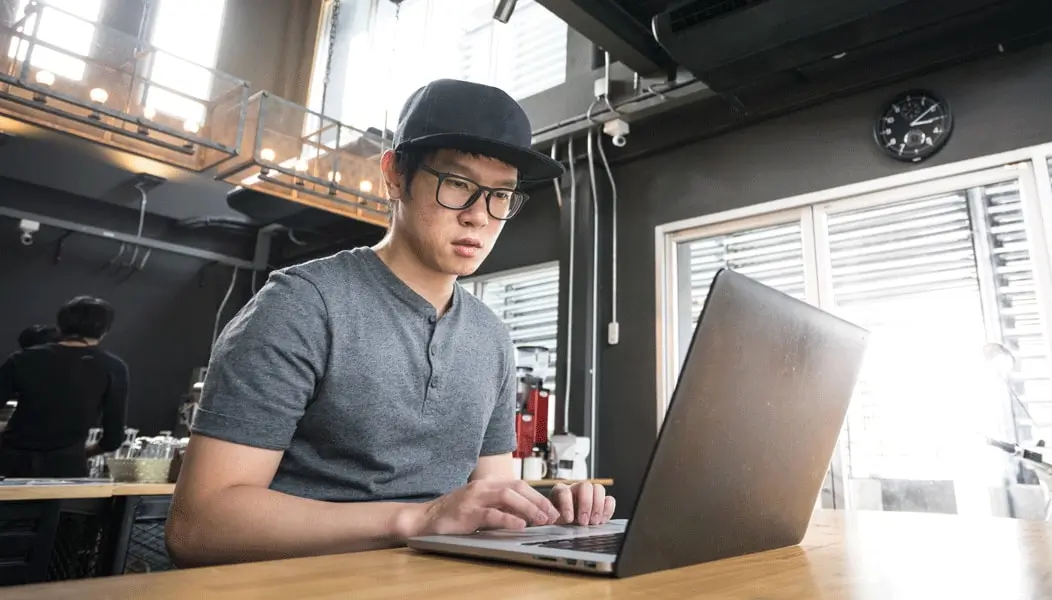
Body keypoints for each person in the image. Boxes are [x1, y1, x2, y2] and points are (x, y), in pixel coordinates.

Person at [166, 79, 616, 568]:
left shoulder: (491, 337)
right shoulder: (302, 306)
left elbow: (492, 493)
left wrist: (552, 511)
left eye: (500, 195)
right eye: (458, 185)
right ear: (395, 176)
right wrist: (415, 519)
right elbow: (199, 524)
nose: (478, 217)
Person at [0, 297, 128, 478]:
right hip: (67, 469)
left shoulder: (22, 359)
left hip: (11, 464)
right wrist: (77, 455)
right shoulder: (113, 367)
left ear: (61, 325)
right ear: (105, 330)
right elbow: (113, 439)